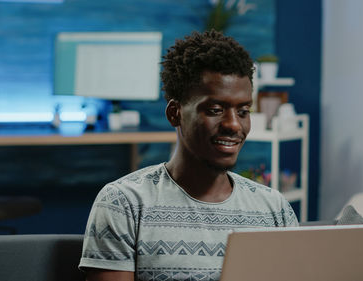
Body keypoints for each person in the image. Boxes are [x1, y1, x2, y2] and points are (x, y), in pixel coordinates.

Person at [79, 30, 298, 281]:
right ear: (175, 113)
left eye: (243, 111)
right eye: (215, 110)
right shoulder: (123, 203)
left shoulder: (274, 208)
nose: (234, 125)